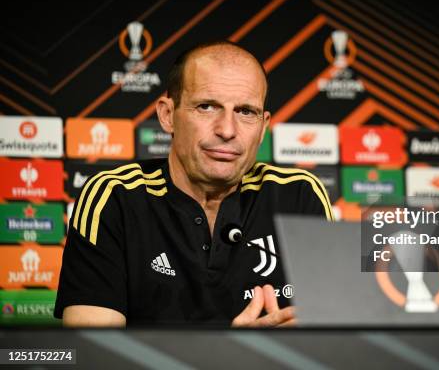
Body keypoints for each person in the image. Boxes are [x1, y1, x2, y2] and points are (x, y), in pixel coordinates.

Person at [54, 41, 333, 327]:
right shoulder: (115, 197)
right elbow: (93, 355)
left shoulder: (299, 195)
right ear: (167, 115)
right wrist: (234, 355)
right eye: (207, 106)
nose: (227, 130)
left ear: (263, 127)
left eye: (246, 112)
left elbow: (345, 342)